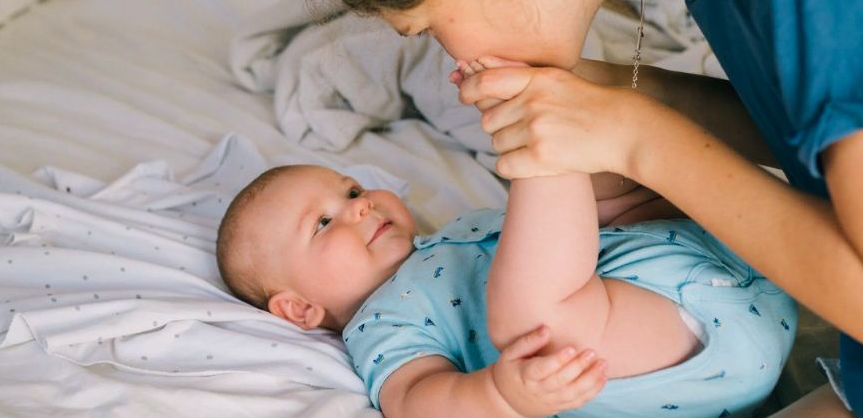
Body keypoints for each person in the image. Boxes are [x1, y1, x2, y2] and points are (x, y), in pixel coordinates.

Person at [304, 0, 863, 414]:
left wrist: (638, 137)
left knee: (535, 321)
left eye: (427, 28)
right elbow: (810, 125)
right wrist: (628, 94)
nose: (451, 55)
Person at [216, 162, 795, 417]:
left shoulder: (459, 229)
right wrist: (501, 396)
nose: (360, 204)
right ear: (299, 308)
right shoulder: (379, 325)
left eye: (350, 190)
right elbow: (416, 402)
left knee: (597, 195)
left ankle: (585, 143)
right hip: (680, 352)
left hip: (739, 267)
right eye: (323, 224)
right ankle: (550, 150)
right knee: (538, 322)